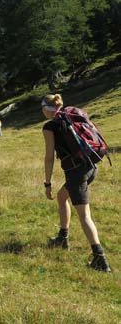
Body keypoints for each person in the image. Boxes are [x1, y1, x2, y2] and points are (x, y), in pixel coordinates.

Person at [41, 94, 111, 272]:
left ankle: (100, 259)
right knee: (62, 197)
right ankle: (62, 238)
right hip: (91, 166)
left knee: (85, 215)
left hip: (76, 173)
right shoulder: (72, 116)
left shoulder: (50, 127)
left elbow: (49, 158)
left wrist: (47, 182)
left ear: (45, 109)